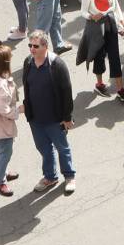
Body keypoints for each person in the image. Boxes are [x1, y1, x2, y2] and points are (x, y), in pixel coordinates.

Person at [21, 32, 78, 194]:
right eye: (30, 45)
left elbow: (67, 92)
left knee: (62, 148)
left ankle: (69, 176)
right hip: (36, 119)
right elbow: (27, 87)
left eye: (36, 46)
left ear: (45, 46)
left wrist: (67, 118)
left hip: (55, 119)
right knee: (44, 148)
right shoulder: (28, 62)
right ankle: (50, 177)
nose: (32, 49)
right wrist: (26, 106)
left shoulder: (57, 65)